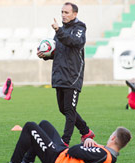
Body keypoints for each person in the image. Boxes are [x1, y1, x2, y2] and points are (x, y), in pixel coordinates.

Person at [37, 2, 94, 146]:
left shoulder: (79, 28)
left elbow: (73, 42)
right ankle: (86, 131)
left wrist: (58, 31)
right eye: (62, 12)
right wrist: (45, 55)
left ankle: (65, 142)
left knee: (69, 109)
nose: (63, 15)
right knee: (63, 109)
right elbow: (58, 53)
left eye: (66, 12)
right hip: (59, 75)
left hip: (72, 76)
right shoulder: (60, 31)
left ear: (75, 14)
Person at [0, 120, 131, 163]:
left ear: (113, 138)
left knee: (30, 126)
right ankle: (27, 162)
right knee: (44, 124)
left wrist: (85, 144)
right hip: (61, 153)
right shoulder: (107, 154)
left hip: (56, 161)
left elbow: (73, 150)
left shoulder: (103, 155)